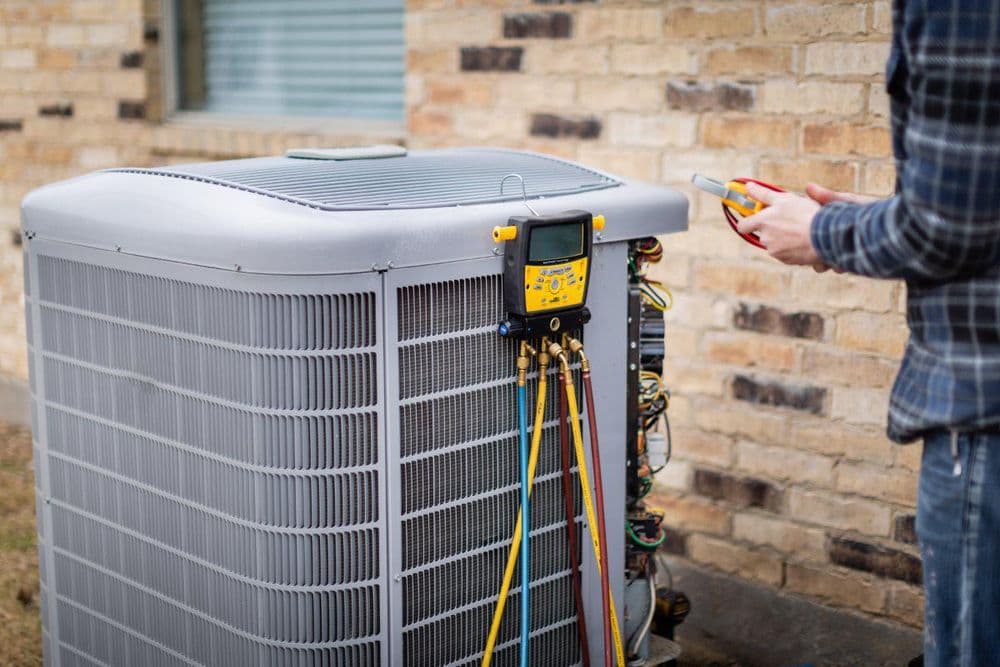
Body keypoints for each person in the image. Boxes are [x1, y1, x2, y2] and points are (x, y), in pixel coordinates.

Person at [736, 2, 1000, 666]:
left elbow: (947, 230)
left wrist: (821, 231)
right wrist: (884, 216)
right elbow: (973, 203)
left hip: (983, 412)